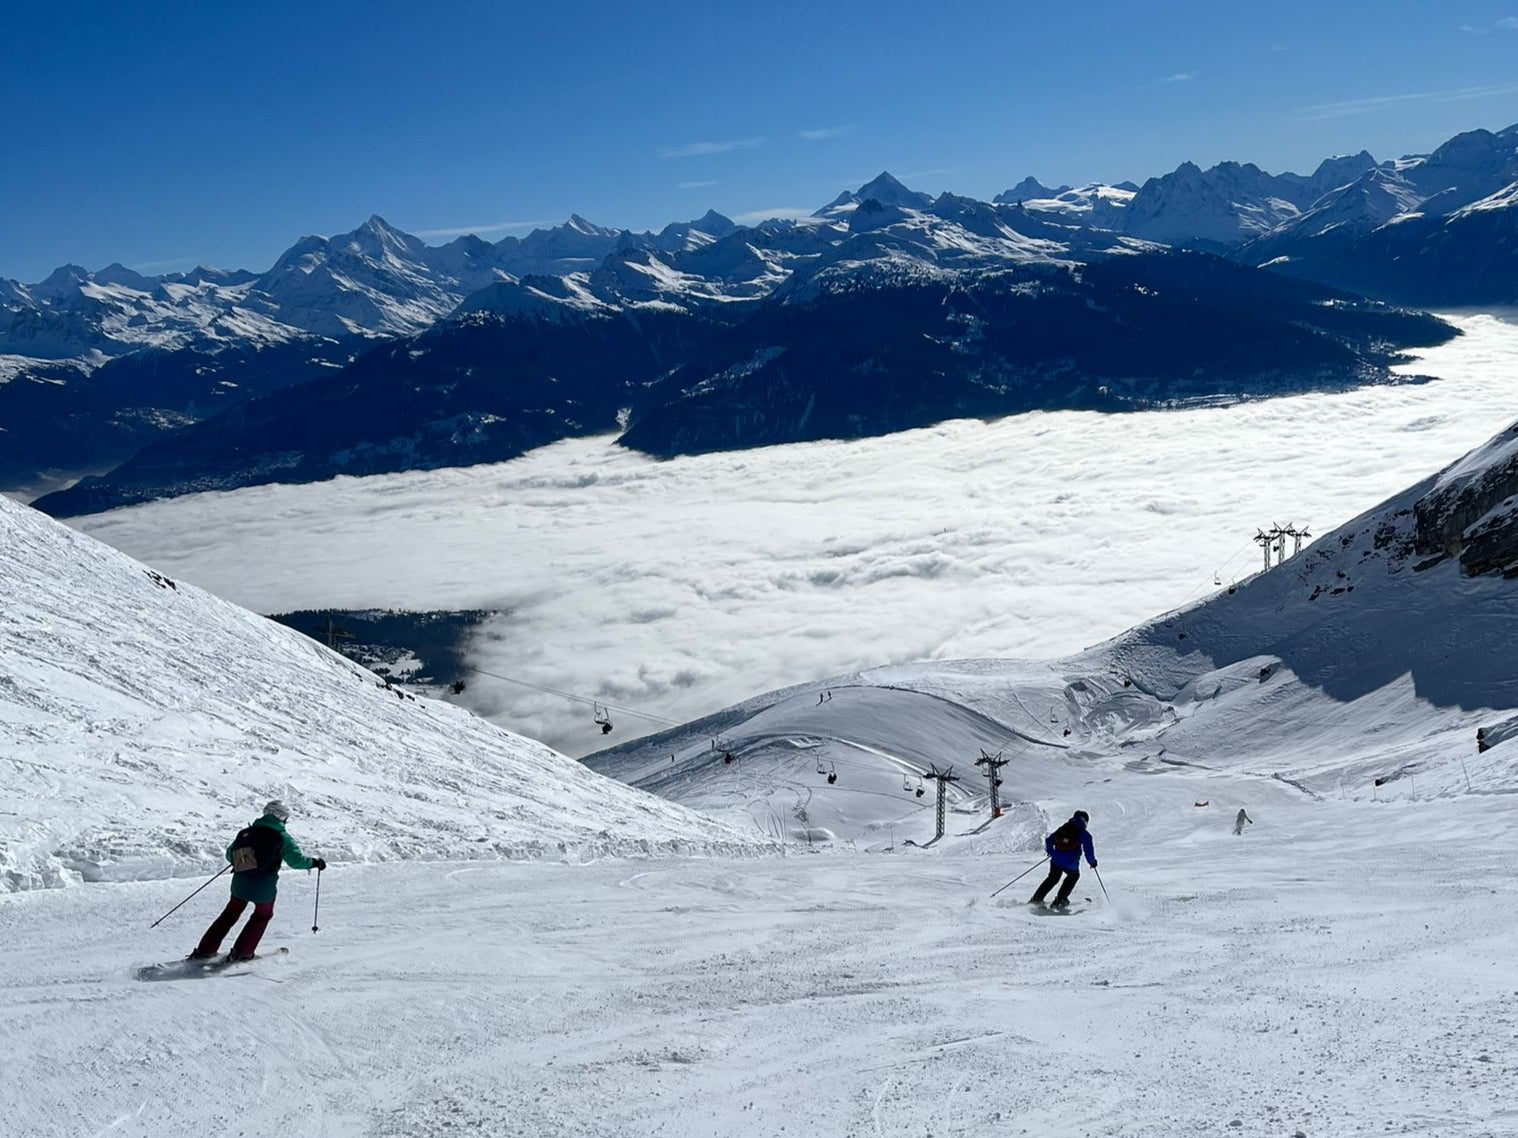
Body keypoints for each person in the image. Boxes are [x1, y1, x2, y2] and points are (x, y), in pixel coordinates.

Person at [189, 801, 325, 962]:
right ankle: (242, 953)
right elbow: (296, 861)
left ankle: (205, 950)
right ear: (280, 817)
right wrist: (315, 863)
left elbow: (229, 856)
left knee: (229, 914)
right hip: (264, 888)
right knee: (262, 915)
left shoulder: (247, 832)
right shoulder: (283, 838)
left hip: (239, 884)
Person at [1029, 809, 1096, 909]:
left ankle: (1036, 899)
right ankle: (1060, 900)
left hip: (1056, 860)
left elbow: (1049, 840)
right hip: (1070, 863)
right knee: (1073, 876)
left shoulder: (1064, 827)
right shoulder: (1083, 833)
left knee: (1053, 878)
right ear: (1086, 821)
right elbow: (1088, 852)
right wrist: (1093, 863)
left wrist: (1052, 853)